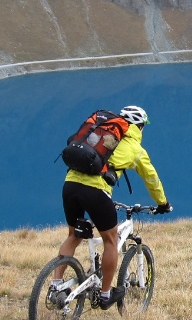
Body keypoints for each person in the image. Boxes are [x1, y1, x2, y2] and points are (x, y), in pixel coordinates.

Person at [57, 105, 172, 309]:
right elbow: (151, 179)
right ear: (140, 126)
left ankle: (56, 285)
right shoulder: (135, 148)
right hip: (95, 191)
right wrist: (162, 203)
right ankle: (105, 294)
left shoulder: (102, 134)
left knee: (73, 235)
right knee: (110, 241)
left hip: (70, 185)